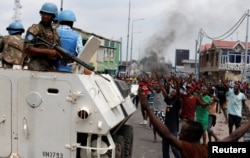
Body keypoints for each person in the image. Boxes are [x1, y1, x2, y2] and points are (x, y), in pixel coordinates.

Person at [138, 89, 250, 158]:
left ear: (190, 136)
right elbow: (234, 136)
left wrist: (148, 109)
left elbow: (166, 134)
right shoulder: (207, 149)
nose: (179, 135)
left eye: (182, 132)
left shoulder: (189, 149)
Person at [23, 2, 61, 71]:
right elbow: (27, 48)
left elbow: (58, 50)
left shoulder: (55, 33)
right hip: (36, 67)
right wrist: (48, 52)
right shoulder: (34, 29)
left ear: (53, 16)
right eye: (43, 14)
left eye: (48, 14)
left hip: (50, 68)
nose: (45, 16)